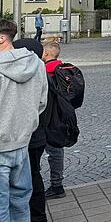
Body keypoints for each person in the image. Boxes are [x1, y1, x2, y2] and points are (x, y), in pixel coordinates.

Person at [0, 19, 48, 222]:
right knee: (20, 202)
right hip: (22, 143)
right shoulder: (37, 64)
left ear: (1, 38)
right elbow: (41, 102)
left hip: (2, 146)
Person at [16, 38, 47, 222]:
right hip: (38, 134)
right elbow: (43, 104)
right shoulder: (40, 72)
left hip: (19, 136)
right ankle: (38, 215)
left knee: (18, 181)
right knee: (34, 175)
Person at [41, 42, 66, 200]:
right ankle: (57, 184)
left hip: (46, 117)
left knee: (45, 151)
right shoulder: (63, 69)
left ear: (47, 54)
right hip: (60, 116)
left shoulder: (44, 71)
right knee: (57, 151)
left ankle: (55, 186)